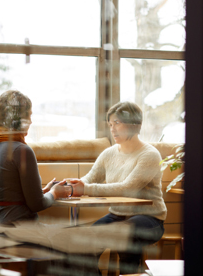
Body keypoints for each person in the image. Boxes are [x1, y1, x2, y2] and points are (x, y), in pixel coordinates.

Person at [64, 101, 167, 274]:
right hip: (117, 215)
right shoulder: (109, 153)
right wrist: (71, 186)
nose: (112, 129)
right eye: (110, 124)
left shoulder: (149, 154)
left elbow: (128, 188)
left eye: (117, 123)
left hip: (150, 218)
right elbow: (89, 179)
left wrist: (86, 188)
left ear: (134, 124)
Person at [0, 90, 68, 233]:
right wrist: (55, 193)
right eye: (29, 115)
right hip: (17, 234)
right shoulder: (21, 150)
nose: (31, 121)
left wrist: (45, 191)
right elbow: (37, 205)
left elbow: (9, 195)